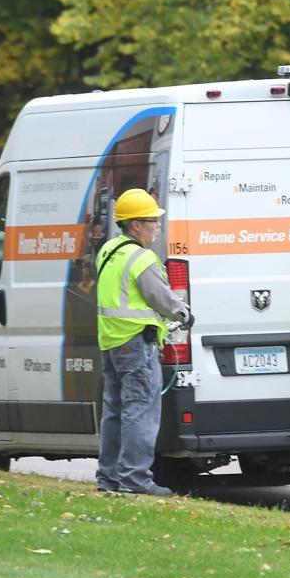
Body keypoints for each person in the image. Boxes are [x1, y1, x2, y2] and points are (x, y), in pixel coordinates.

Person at [95, 188, 193, 496]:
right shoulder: (141, 258)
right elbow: (161, 298)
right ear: (135, 225)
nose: (158, 225)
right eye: (153, 220)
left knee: (114, 411)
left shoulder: (108, 251)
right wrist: (183, 312)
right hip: (136, 344)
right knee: (140, 411)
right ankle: (135, 480)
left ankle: (109, 478)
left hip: (111, 343)